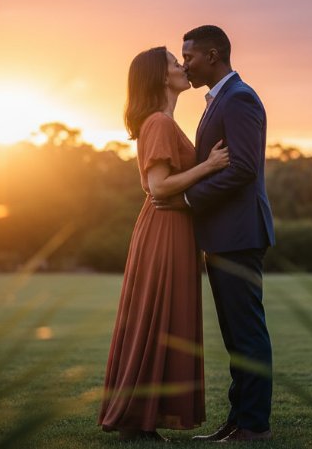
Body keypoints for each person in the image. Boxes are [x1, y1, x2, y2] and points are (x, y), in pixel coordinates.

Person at [98, 46, 230, 442]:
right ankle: (137, 419)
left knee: (164, 317)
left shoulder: (164, 121)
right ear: (160, 77)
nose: (182, 66)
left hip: (174, 227)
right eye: (175, 62)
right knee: (156, 317)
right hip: (164, 227)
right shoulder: (158, 122)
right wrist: (208, 166)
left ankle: (142, 417)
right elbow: (157, 187)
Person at [159, 25, 276, 443]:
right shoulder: (218, 100)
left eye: (188, 56)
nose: (184, 63)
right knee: (235, 334)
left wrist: (188, 200)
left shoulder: (239, 98)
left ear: (212, 55)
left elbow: (243, 168)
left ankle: (254, 425)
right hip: (224, 235)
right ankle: (238, 420)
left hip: (239, 234)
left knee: (246, 332)